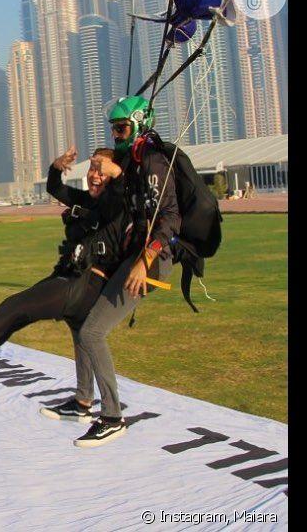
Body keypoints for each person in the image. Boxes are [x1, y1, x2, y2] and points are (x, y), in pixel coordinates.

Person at [0, 148, 132, 446]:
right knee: (78, 338)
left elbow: (120, 195)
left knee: (15, 308)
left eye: (101, 169)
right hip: (73, 277)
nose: (94, 175)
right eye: (92, 169)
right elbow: (56, 188)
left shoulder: (117, 201)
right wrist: (55, 167)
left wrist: (117, 175)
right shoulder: (89, 199)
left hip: (84, 283)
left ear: (114, 174)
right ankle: (82, 402)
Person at [57, 95, 178, 447]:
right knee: (79, 317)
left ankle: (112, 416)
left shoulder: (153, 162)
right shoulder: (133, 159)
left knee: (93, 331)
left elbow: (169, 218)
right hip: (129, 256)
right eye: (113, 128)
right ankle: (83, 400)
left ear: (140, 124)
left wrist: (144, 261)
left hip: (150, 259)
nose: (116, 134)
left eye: (122, 127)